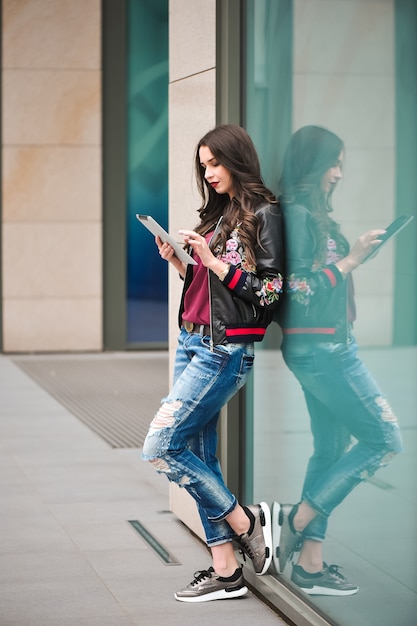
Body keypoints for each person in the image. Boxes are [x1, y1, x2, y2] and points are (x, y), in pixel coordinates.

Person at [142, 124, 284, 602]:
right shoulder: (218, 215)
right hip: (191, 340)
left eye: (215, 163)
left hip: (221, 351)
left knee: (160, 445)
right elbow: (210, 290)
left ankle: (247, 521)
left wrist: (214, 262)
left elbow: (269, 293)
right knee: (198, 454)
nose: (209, 173)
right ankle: (226, 570)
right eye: (203, 165)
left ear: (236, 160)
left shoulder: (265, 213)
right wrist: (182, 263)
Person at [273, 125, 403, 596]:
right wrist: (348, 262)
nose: (339, 174)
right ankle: (296, 519)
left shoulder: (308, 213)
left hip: (325, 345)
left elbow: (316, 278)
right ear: (316, 163)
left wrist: (354, 257)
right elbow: (298, 289)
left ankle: (310, 564)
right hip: (323, 349)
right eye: (335, 163)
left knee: (329, 451)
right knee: (384, 439)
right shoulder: (297, 213)